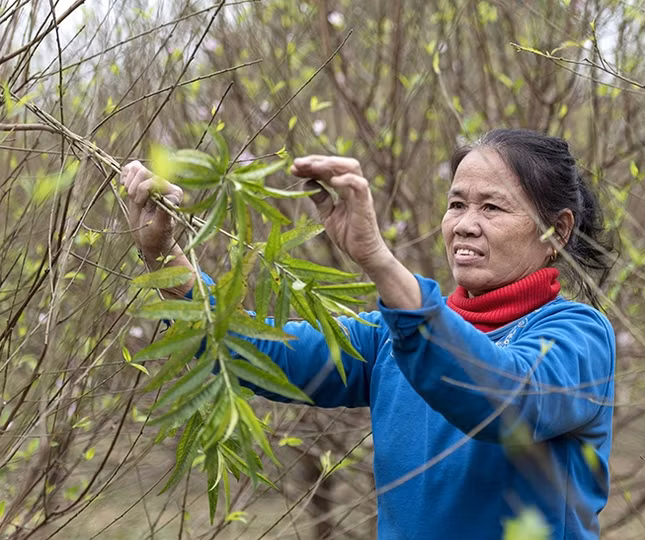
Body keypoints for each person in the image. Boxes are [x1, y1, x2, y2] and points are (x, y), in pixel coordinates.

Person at [122, 128, 616, 539]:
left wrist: (379, 261)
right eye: (457, 204)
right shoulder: (390, 334)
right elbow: (259, 352)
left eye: (492, 208)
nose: (465, 225)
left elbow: (502, 399)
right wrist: (165, 256)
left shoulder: (578, 337)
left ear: (557, 231)